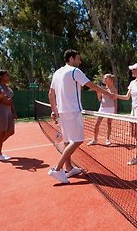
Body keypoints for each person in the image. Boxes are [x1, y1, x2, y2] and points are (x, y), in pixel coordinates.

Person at [48, 49, 116, 184]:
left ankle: (69, 168)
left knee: (67, 140)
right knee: (77, 140)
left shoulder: (56, 73)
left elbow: (51, 93)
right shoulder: (74, 71)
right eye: (78, 58)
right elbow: (91, 85)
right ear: (71, 59)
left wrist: (54, 110)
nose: (80, 61)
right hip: (73, 111)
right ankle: (57, 169)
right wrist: (108, 94)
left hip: (62, 112)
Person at [87, 73, 118, 146]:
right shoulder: (102, 88)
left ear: (110, 79)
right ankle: (95, 139)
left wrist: (115, 110)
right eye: (104, 78)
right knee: (97, 124)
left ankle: (107, 139)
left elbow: (115, 101)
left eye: (105, 78)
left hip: (111, 108)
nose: (104, 79)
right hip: (102, 108)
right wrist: (98, 93)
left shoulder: (114, 89)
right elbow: (99, 99)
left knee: (109, 124)